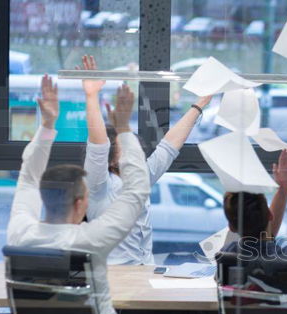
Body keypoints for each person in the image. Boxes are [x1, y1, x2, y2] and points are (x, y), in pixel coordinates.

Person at [6, 75, 217, 314]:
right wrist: (106, 115)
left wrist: (199, 105)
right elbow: (101, 154)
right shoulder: (96, 234)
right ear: (83, 199)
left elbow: (169, 146)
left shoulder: (19, 231)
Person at [80, 54, 213, 265]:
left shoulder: (140, 177)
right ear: (111, 160)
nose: (135, 152)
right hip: (114, 277)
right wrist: (91, 96)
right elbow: (97, 145)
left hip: (144, 273)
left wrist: (200, 105)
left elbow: (169, 145)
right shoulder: (99, 185)